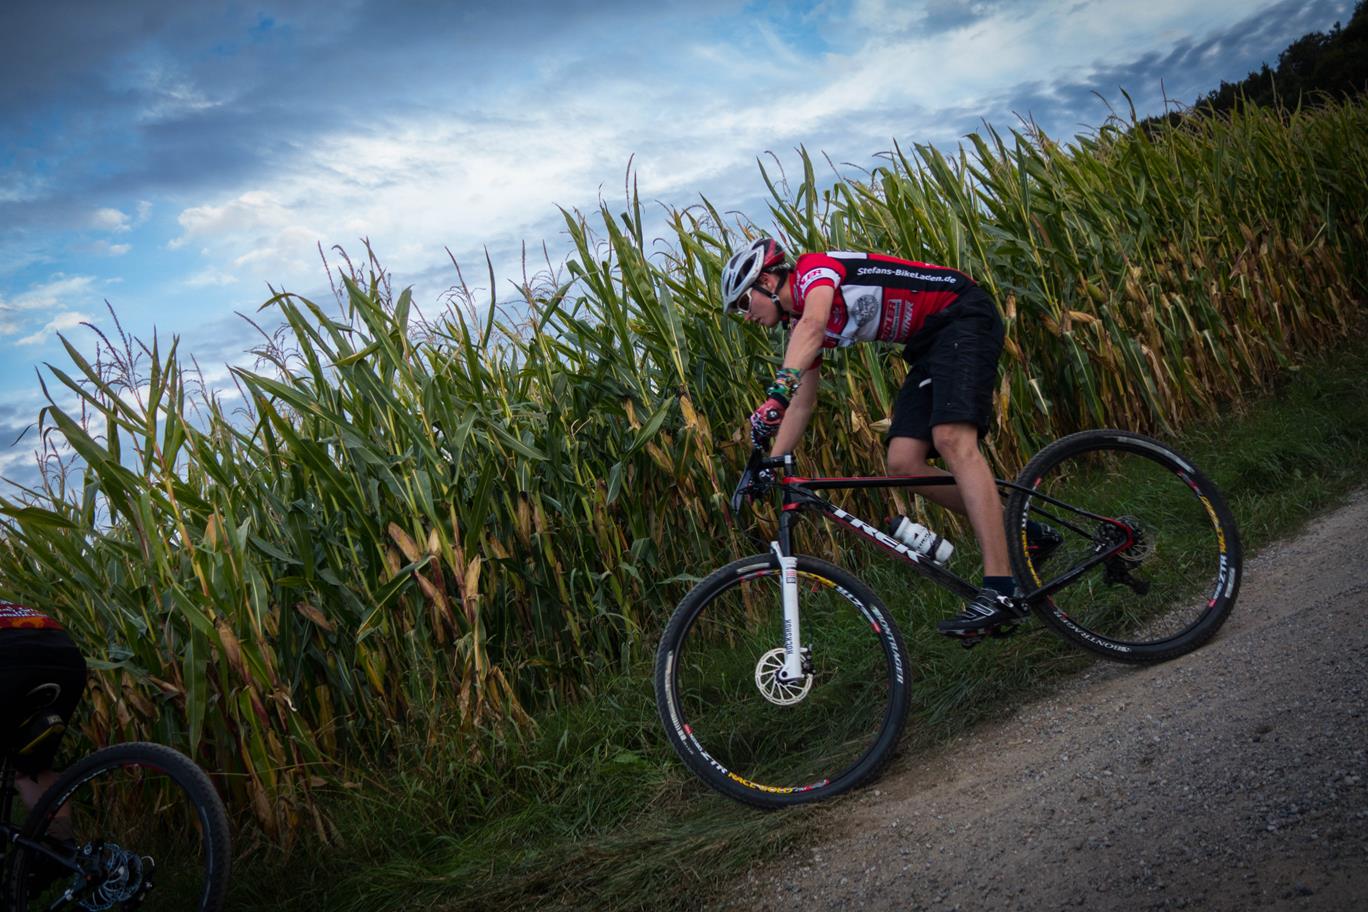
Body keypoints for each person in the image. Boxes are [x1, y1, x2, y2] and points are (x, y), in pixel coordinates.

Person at [721, 237, 1059, 637]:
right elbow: (802, 405)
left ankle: (1001, 588)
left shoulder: (814, 271)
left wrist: (778, 392)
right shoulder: (802, 326)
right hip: (929, 344)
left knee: (952, 439)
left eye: (745, 303)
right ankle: (1024, 531)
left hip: (961, 313)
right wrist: (770, 462)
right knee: (903, 462)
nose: (746, 316)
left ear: (766, 281)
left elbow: (813, 327)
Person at [0, 600, 87, 832]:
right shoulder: (11, 606)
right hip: (65, 658)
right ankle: (59, 845)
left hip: (9, 658)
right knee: (32, 771)